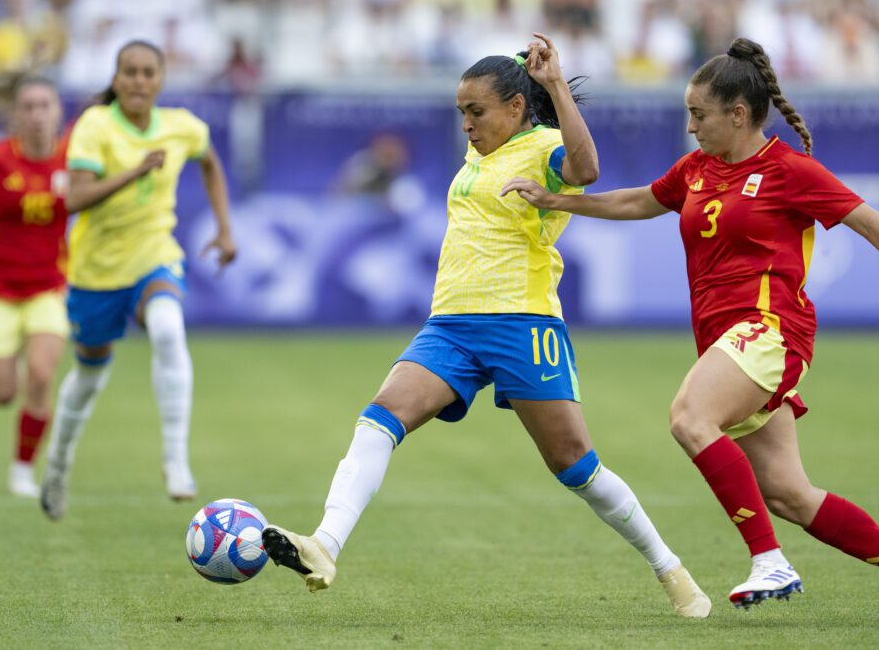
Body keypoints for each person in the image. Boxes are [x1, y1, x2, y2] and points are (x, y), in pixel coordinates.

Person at [501, 37, 879, 625]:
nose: (690, 127)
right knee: (789, 495)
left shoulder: (788, 170)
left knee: (690, 418)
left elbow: (867, 219)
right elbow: (641, 201)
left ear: (738, 115)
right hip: (729, 344)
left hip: (770, 332)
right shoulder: (697, 170)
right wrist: (557, 198)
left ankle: (768, 558)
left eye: (699, 115)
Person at [261, 34, 712, 618]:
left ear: (516, 107)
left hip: (522, 325)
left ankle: (669, 568)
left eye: (476, 112)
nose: (467, 125)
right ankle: (324, 545)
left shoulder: (544, 146)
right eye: (461, 114)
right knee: (379, 419)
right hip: (450, 324)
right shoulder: (478, 156)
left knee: (575, 466)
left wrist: (554, 84)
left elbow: (588, 168)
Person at [39, 40, 237, 520]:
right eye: (130, 72)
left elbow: (210, 162)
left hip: (155, 256)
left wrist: (225, 228)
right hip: (96, 272)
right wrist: (135, 171)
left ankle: (175, 460)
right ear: (116, 78)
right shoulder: (94, 127)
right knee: (88, 378)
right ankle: (58, 467)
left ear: (161, 80)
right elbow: (76, 198)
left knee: (169, 328)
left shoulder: (181, 126)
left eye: (148, 72)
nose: (139, 81)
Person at [0, 74, 69, 497]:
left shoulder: (73, 162)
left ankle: (23, 469)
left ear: (58, 111)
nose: (37, 115)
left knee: (43, 374)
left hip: (48, 286)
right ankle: (13, 367)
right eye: (28, 107)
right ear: (16, 114)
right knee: (4, 393)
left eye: (45, 105)